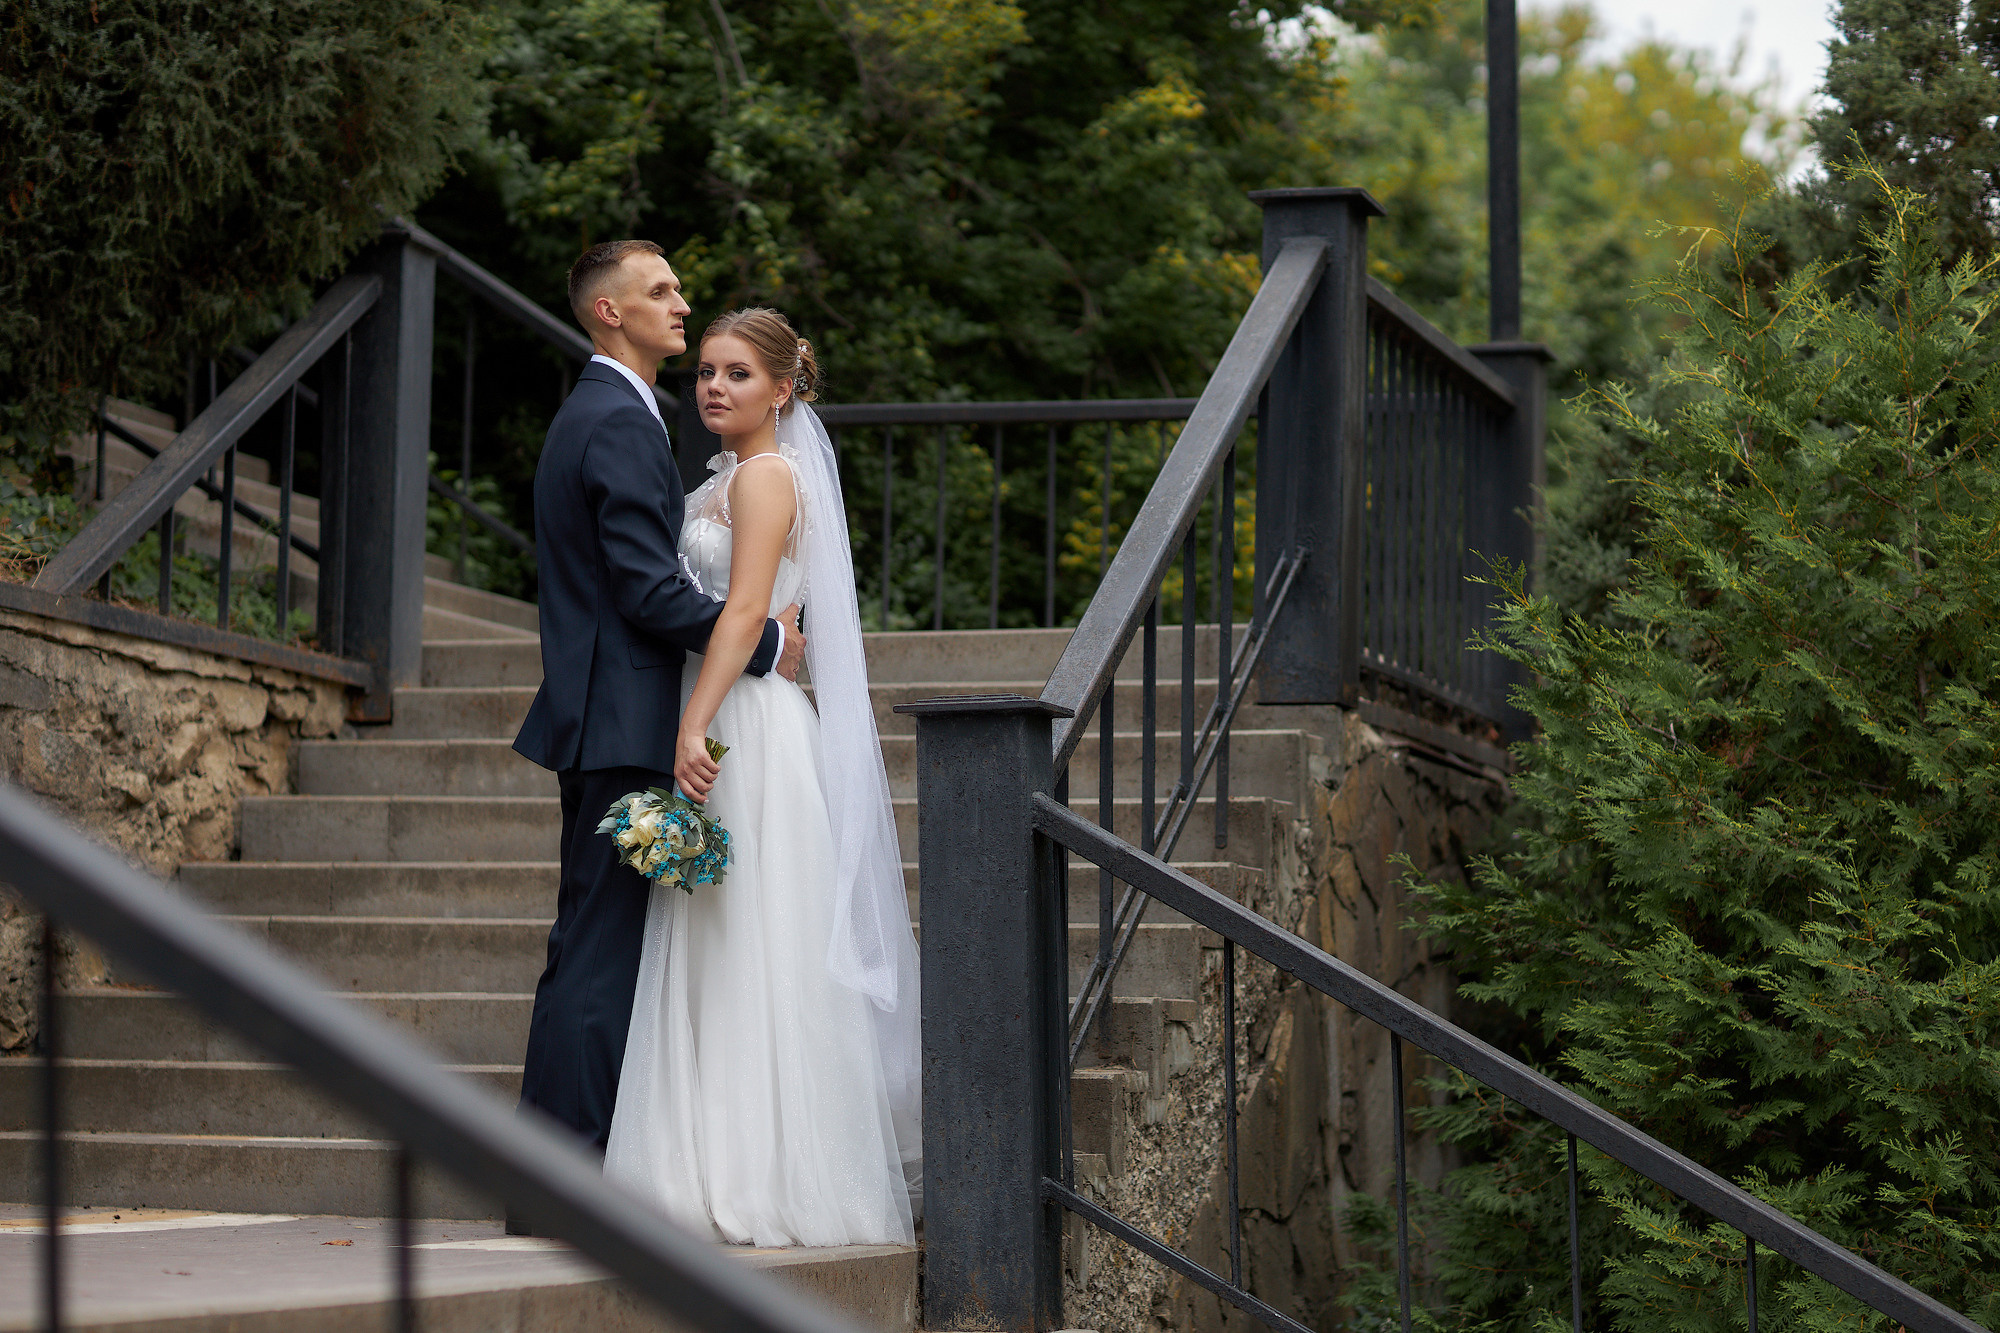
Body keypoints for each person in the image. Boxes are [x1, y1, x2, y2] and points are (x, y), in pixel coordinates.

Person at [603, 308, 921, 1247]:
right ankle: (703, 1158)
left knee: (752, 933)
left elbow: (744, 612)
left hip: (746, 722)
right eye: (705, 370)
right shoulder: (723, 481)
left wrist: (694, 721)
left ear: (784, 388)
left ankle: (766, 1169)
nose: (712, 387)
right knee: (711, 933)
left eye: (737, 374)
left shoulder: (770, 476)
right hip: (729, 704)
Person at [511, 242, 807, 1184]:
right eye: (662, 290)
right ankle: (562, 1182)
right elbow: (645, 590)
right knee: (596, 959)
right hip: (624, 720)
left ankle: (565, 1173)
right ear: (610, 312)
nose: (681, 304)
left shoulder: (609, 414)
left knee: (592, 949)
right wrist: (763, 644)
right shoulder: (616, 421)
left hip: (617, 713)